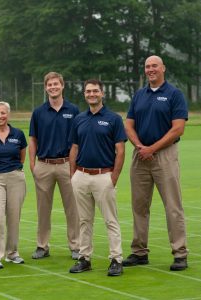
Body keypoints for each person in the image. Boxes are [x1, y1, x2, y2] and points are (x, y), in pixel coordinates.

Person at [123, 55, 189, 271]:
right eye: (147, 67)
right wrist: (141, 147)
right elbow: (129, 125)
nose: (150, 69)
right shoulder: (139, 95)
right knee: (139, 206)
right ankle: (139, 251)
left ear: (163, 69)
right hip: (140, 155)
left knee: (173, 206)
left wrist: (153, 148)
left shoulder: (174, 94)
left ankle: (180, 254)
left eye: (154, 66)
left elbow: (178, 128)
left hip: (164, 156)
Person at [68, 79, 126, 276]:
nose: (91, 94)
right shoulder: (79, 119)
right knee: (84, 220)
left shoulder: (113, 119)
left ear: (102, 94)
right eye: (88, 91)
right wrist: (73, 175)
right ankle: (84, 258)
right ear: (84, 94)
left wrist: (114, 177)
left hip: (104, 176)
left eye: (95, 91)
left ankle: (116, 259)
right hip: (81, 176)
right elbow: (74, 148)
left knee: (110, 220)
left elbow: (120, 150)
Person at [29, 71, 81, 260]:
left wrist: (75, 165)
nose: (53, 87)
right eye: (49, 85)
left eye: (56, 84)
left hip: (67, 164)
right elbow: (33, 140)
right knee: (43, 209)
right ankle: (42, 246)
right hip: (44, 164)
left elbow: (78, 140)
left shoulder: (73, 110)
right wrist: (33, 165)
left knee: (72, 208)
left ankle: (76, 246)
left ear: (62, 85)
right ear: (46, 88)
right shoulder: (38, 112)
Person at [0, 101, 27, 269]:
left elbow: (22, 157)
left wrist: (12, 171)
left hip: (15, 177)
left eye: (3, 113)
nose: (0, 116)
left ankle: (12, 253)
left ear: (8, 114)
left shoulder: (18, 134)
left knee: (14, 217)